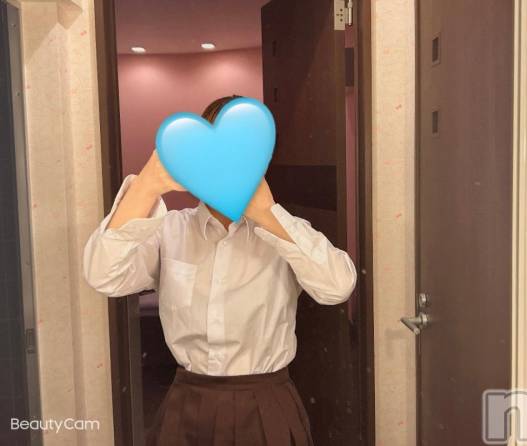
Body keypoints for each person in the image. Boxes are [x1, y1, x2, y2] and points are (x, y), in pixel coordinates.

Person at [83, 95, 357, 446]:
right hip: (187, 402)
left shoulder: (286, 232)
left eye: (242, 154)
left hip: (267, 403)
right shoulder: (170, 231)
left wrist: (269, 215)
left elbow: (338, 287)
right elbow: (102, 275)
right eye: (214, 155)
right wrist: (148, 184)